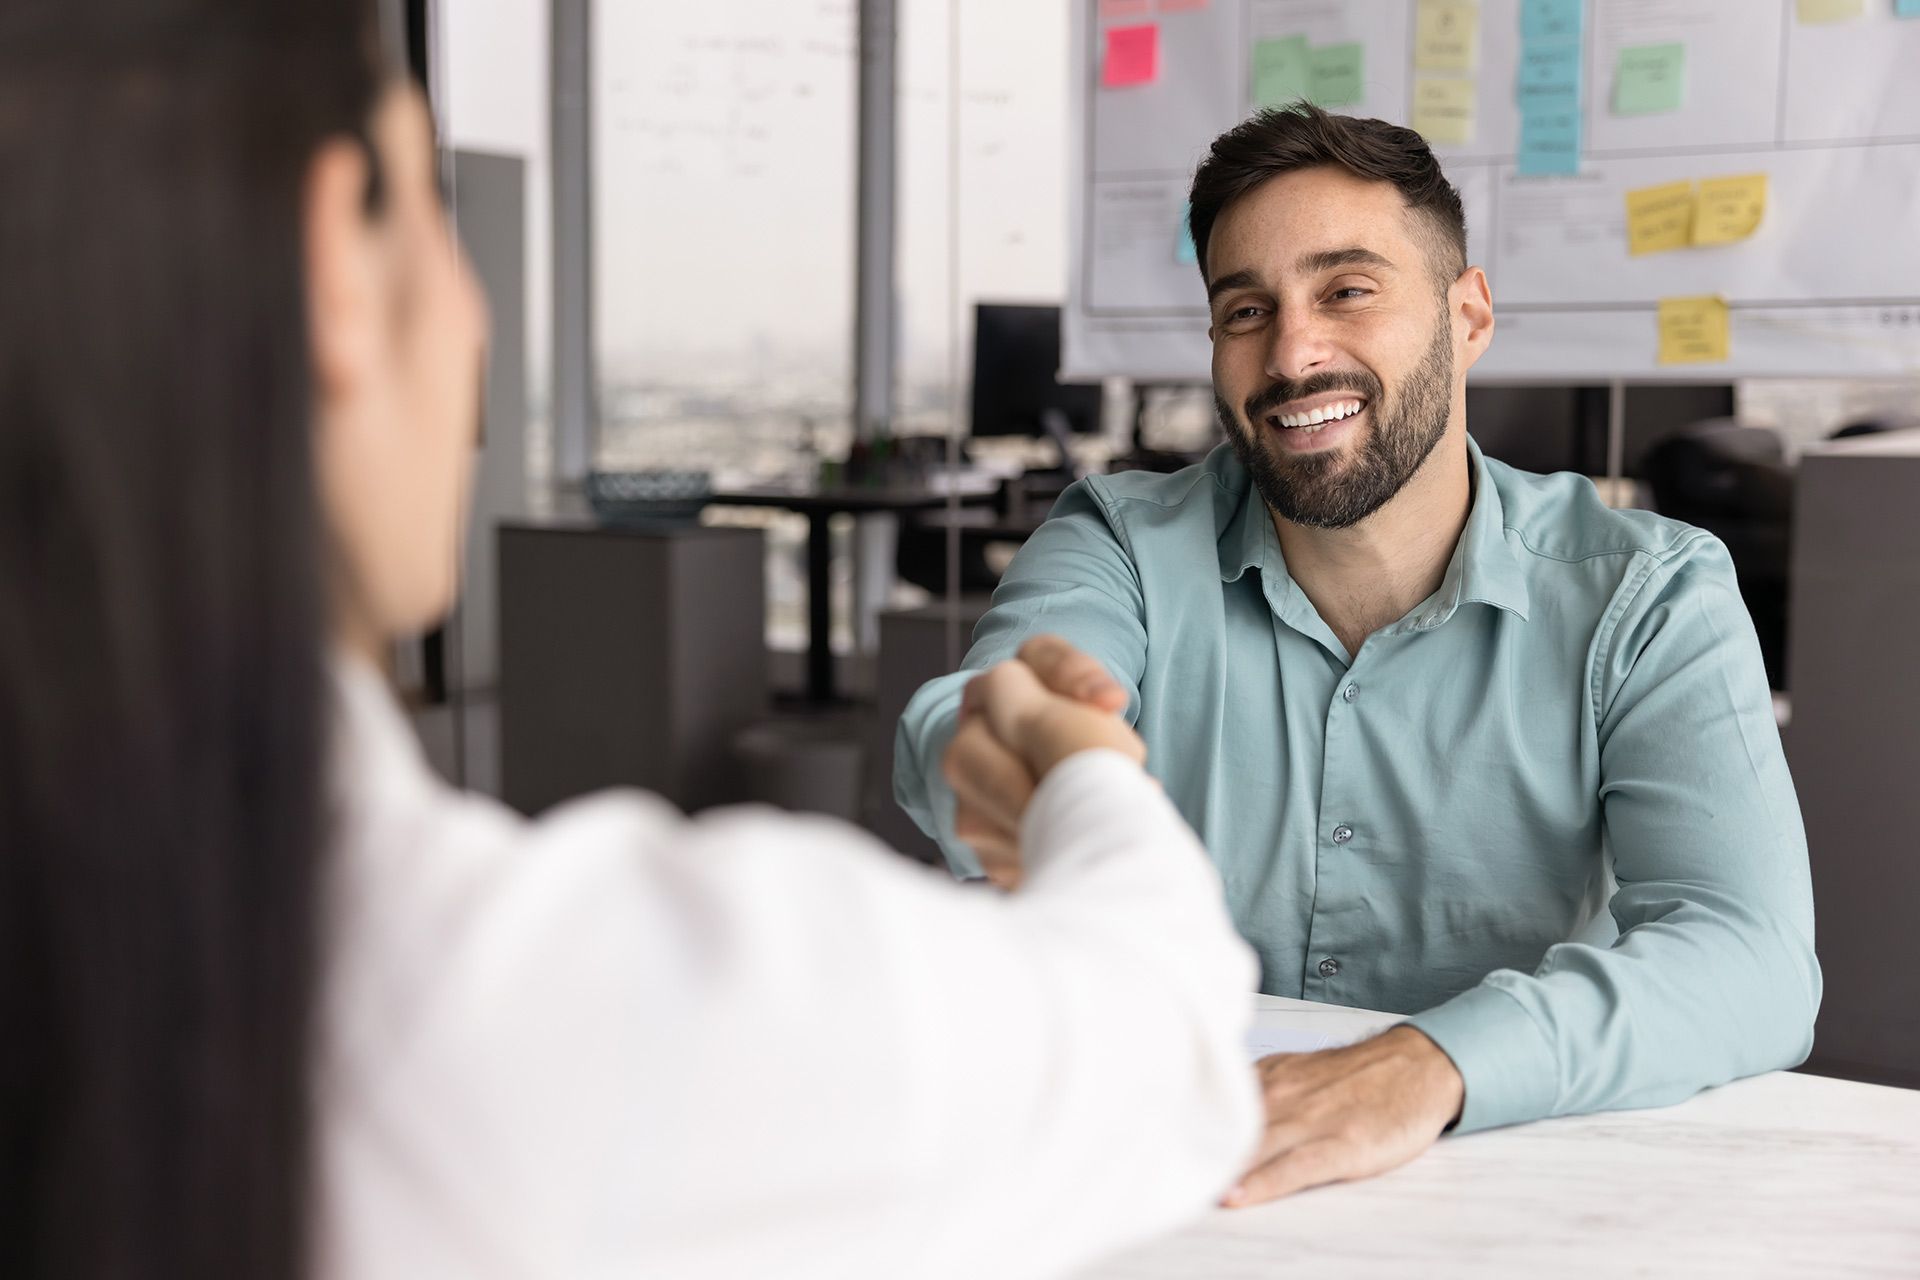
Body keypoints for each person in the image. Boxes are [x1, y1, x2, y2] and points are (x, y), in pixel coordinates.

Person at [0, 3, 1263, 1277]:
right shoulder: (507, 1024)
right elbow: (1170, 1035)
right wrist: (1075, 762)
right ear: (338, 265)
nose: (476, 326)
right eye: (438, 219)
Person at [897, 104, 1821, 1206]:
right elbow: (970, 719)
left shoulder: (1649, 590)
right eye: (1247, 309)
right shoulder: (1122, 542)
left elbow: (1751, 957)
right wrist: (1007, 750)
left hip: (1503, 1175)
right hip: (1168, 1169)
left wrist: (1428, 1064)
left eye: (1347, 288)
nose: (1292, 353)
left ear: (1467, 315)